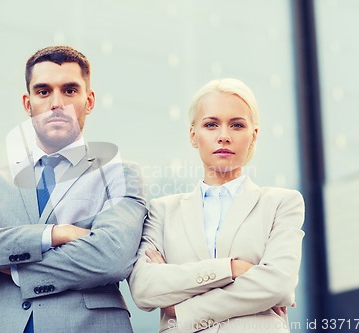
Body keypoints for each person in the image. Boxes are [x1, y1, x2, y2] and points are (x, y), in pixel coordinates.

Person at [0, 46, 147, 333]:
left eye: (70, 91)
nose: (56, 103)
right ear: (28, 103)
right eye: (44, 91)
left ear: (89, 100)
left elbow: (111, 258)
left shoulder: (120, 174)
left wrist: (8, 263)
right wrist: (55, 234)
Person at [128, 78, 304, 332]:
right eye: (211, 125)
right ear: (193, 135)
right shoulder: (162, 211)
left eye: (237, 125)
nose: (223, 136)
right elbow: (145, 289)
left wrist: (181, 309)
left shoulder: (281, 203)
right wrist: (232, 268)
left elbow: (279, 285)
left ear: (253, 136)